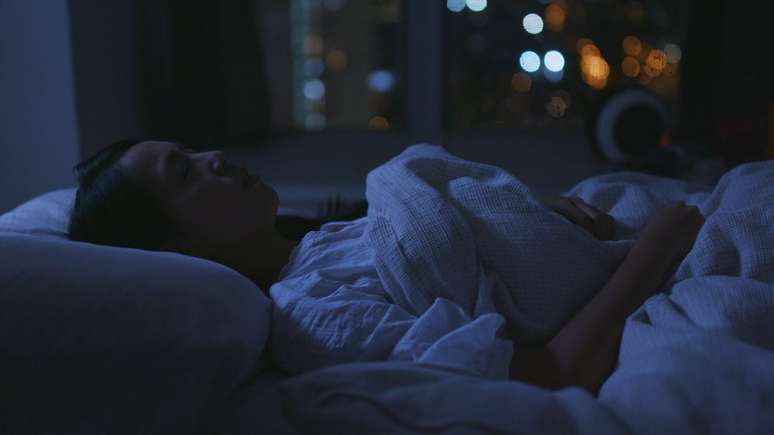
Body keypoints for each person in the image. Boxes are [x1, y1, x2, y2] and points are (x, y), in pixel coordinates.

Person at [69, 139, 704, 394]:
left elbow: (448, 226)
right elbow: (543, 374)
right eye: (184, 173)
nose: (213, 156)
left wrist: (532, 209)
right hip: (655, 262)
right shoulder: (311, 312)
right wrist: (653, 253)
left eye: (191, 150)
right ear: (177, 251)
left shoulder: (326, 239)